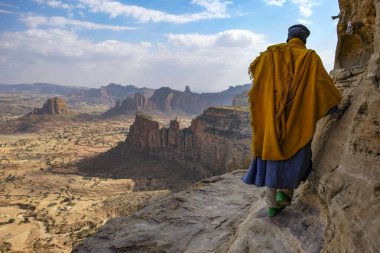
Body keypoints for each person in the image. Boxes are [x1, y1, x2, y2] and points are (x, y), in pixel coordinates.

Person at [242, 24, 342, 217]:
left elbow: (258, 80)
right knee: (297, 154)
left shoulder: (270, 54)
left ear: (289, 37)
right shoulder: (310, 57)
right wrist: (332, 107)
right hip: (299, 119)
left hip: (272, 119)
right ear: (304, 40)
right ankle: (285, 194)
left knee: (273, 156)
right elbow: (323, 86)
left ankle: (272, 205)